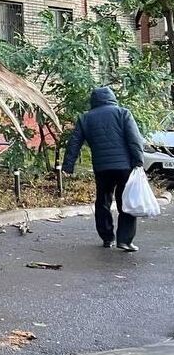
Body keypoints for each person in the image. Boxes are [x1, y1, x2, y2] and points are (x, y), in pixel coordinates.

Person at [62, 87, 146, 252]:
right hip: (124, 167)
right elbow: (134, 139)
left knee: (103, 201)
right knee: (126, 202)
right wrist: (138, 161)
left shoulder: (85, 118)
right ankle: (125, 240)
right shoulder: (123, 113)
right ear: (112, 98)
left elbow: (74, 143)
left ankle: (107, 238)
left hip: (102, 168)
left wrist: (68, 165)